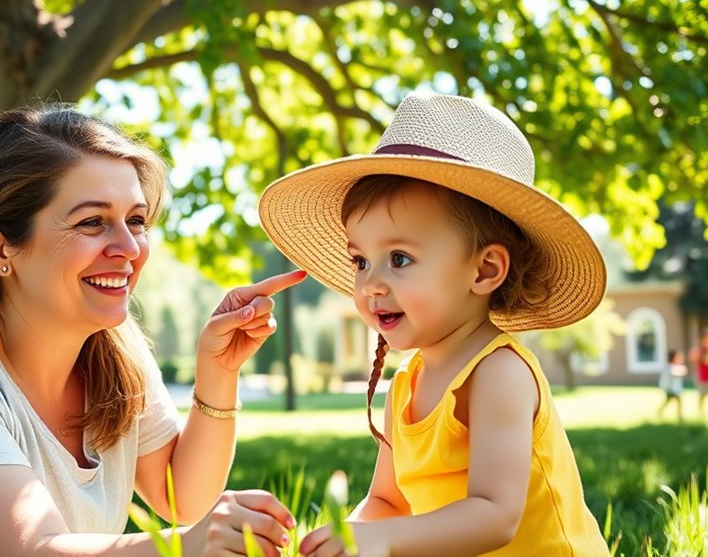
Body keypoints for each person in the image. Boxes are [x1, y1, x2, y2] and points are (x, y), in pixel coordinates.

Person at [0, 105, 304, 556]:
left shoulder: (118, 354)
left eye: (136, 220)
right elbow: (32, 551)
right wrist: (184, 547)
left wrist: (219, 371)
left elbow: (181, 498)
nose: (129, 248)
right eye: (92, 222)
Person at [259, 92, 610, 556]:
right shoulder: (406, 386)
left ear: (484, 270)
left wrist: (382, 539)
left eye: (399, 258)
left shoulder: (499, 373)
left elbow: (495, 515)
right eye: (361, 261)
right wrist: (349, 536)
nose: (371, 284)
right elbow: (388, 501)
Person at [657, 349, 687, 421]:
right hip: (670, 388)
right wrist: (682, 370)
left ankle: (660, 410)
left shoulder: (675, 366)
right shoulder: (669, 367)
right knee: (677, 400)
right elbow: (675, 374)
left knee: (669, 400)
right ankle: (679, 415)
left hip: (674, 388)